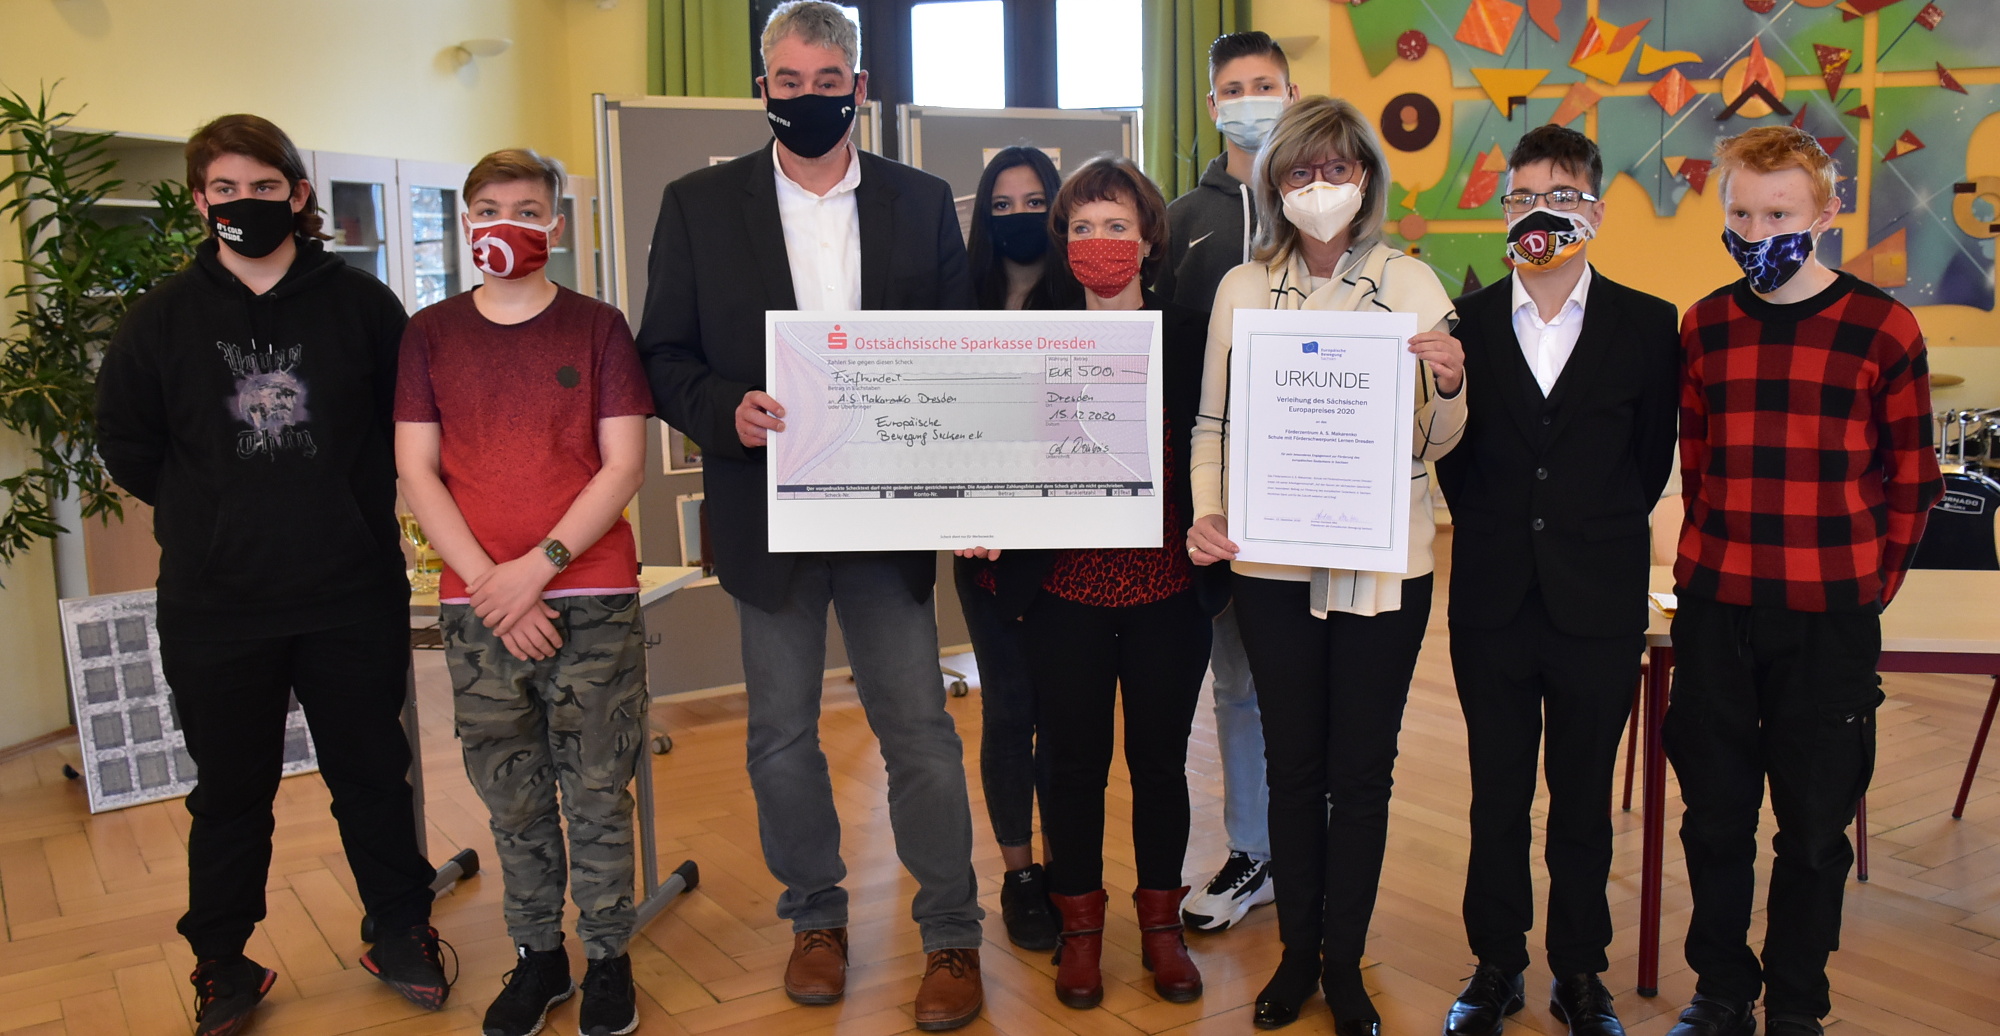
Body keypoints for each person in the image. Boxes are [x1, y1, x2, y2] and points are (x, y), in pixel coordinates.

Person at [633, 3, 985, 1030]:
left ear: (859, 89)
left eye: (828, 82)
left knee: (918, 733)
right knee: (780, 738)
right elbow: (663, 357)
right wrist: (726, 413)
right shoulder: (698, 205)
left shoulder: (922, 201)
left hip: (886, 518)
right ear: (762, 88)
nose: (808, 98)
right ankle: (816, 919)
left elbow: (962, 350)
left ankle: (951, 932)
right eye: (788, 82)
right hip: (768, 516)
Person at [95, 114, 448, 1036]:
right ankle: (222, 961)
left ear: (297, 194)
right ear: (199, 201)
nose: (242, 203)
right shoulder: (159, 318)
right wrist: (211, 511)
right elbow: (126, 442)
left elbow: (409, 428)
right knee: (229, 794)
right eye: (224, 189)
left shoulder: (363, 305)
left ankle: (401, 928)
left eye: (262, 187)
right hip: (216, 604)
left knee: (372, 774)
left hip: (349, 591)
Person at [1184, 96, 1467, 1035]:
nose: (1320, 186)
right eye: (1301, 171)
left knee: (1364, 773)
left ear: (1366, 179)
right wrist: (1209, 509)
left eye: (1338, 169)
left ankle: (1343, 961)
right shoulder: (1242, 288)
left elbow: (1438, 441)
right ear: (1274, 184)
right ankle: (1296, 954)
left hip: (1385, 565)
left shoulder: (1413, 282)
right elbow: (1213, 424)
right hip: (1271, 565)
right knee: (1295, 767)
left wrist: (1451, 381)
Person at [1662, 126, 1942, 1036]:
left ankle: (1795, 1003)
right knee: (1714, 819)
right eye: (1741, 214)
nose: (1757, 232)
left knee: (1816, 830)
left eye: (1778, 214)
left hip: (1829, 616)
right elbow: (1697, 465)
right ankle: (1721, 990)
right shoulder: (1704, 325)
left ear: (1826, 213)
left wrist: (1867, 585)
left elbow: (1913, 480)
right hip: (1718, 608)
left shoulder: (1884, 328)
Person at [394, 148, 653, 1036]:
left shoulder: (599, 327)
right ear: (466, 222)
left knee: (598, 790)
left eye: (528, 209)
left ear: (556, 224)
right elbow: (417, 471)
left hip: (590, 594)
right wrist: (489, 584)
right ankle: (539, 956)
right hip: (478, 608)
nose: (508, 223)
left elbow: (624, 465)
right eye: (490, 209)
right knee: (513, 797)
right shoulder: (429, 335)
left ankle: (610, 957)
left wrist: (534, 569)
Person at [958, 156, 1221, 1011]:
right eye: (1080, 227)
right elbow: (995, 448)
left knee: (1161, 764)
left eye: (1116, 225)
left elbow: (1219, 446)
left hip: (1168, 589)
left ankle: (1162, 929)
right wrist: (979, 516)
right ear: (1063, 242)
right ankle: (1079, 933)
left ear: (1148, 241)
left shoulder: (1191, 334)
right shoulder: (1032, 331)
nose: (1098, 240)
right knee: (1070, 764)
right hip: (1063, 591)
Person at [1433, 125, 1679, 1036]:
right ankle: (1496, 965)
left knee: (1582, 801)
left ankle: (1580, 972)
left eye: (1563, 196)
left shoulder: (1649, 325)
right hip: (1492, 601)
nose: (1543, 211)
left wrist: (1587, 531)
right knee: (1496, 795)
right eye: (1525, 196)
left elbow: (1647, 462)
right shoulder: (1465, 323)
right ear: (1505, 212)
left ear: (1596, 212)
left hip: (1597, 601)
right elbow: (1453, 457)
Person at [1163, 29, 1300, 936]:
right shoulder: (1182, 222)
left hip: (1314, 496)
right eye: (1236, 89)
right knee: (1237, 685)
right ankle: (1252, 848)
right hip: (1217, 503)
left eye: (1267, 84)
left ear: (1293, 93)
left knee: (1317, 687)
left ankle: (1312, 848)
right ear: (1214, 106)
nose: (1252, 100)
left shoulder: (1328, 206)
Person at [955, 145, 1066, 952]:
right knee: (1008, 710)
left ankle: (1066, 870)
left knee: (1063, 717)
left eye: (1034, 202)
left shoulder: (1084, 302)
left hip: (1066, 547)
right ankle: (1020, 876)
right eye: (1002, 205)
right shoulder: (955, 304)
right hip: (983, 551)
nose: (1018, 217)